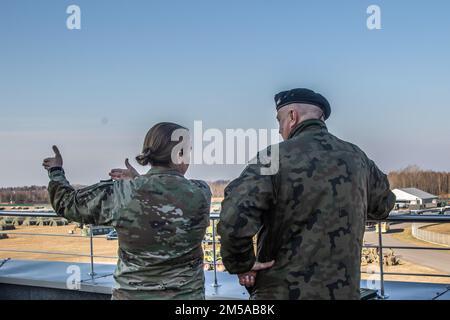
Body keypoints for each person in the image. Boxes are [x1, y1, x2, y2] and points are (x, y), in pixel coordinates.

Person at [218, 88, 396, 300]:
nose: (279, 129)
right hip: (343, 291)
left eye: (279, 120)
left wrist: (242, 263)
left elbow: (234, 216)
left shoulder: (273, 157)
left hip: (282, 292)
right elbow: (383, 205)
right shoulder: (358, 158)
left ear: (292, 116)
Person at [42, 122, 211, 300]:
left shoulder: (123, 193)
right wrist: (137, 180)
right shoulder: (201, 192)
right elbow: (164, 196)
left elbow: (66, 203)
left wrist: (56, 170)